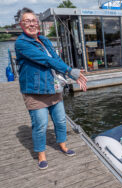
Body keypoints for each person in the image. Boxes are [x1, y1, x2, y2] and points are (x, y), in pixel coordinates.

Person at [15, 7, 87, 169]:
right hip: (35, 91)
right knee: (40, 125)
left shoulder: (45, 40)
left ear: (38, 23)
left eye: (34, 20)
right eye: (27, 21)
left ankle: (62, 145)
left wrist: (70, 72)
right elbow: (44, 60)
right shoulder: (21, 43)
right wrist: (70, 71)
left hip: (52, 88)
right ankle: (41, 154)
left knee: (61, 121)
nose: (31, 24)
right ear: (21, 24)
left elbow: (55, 59)